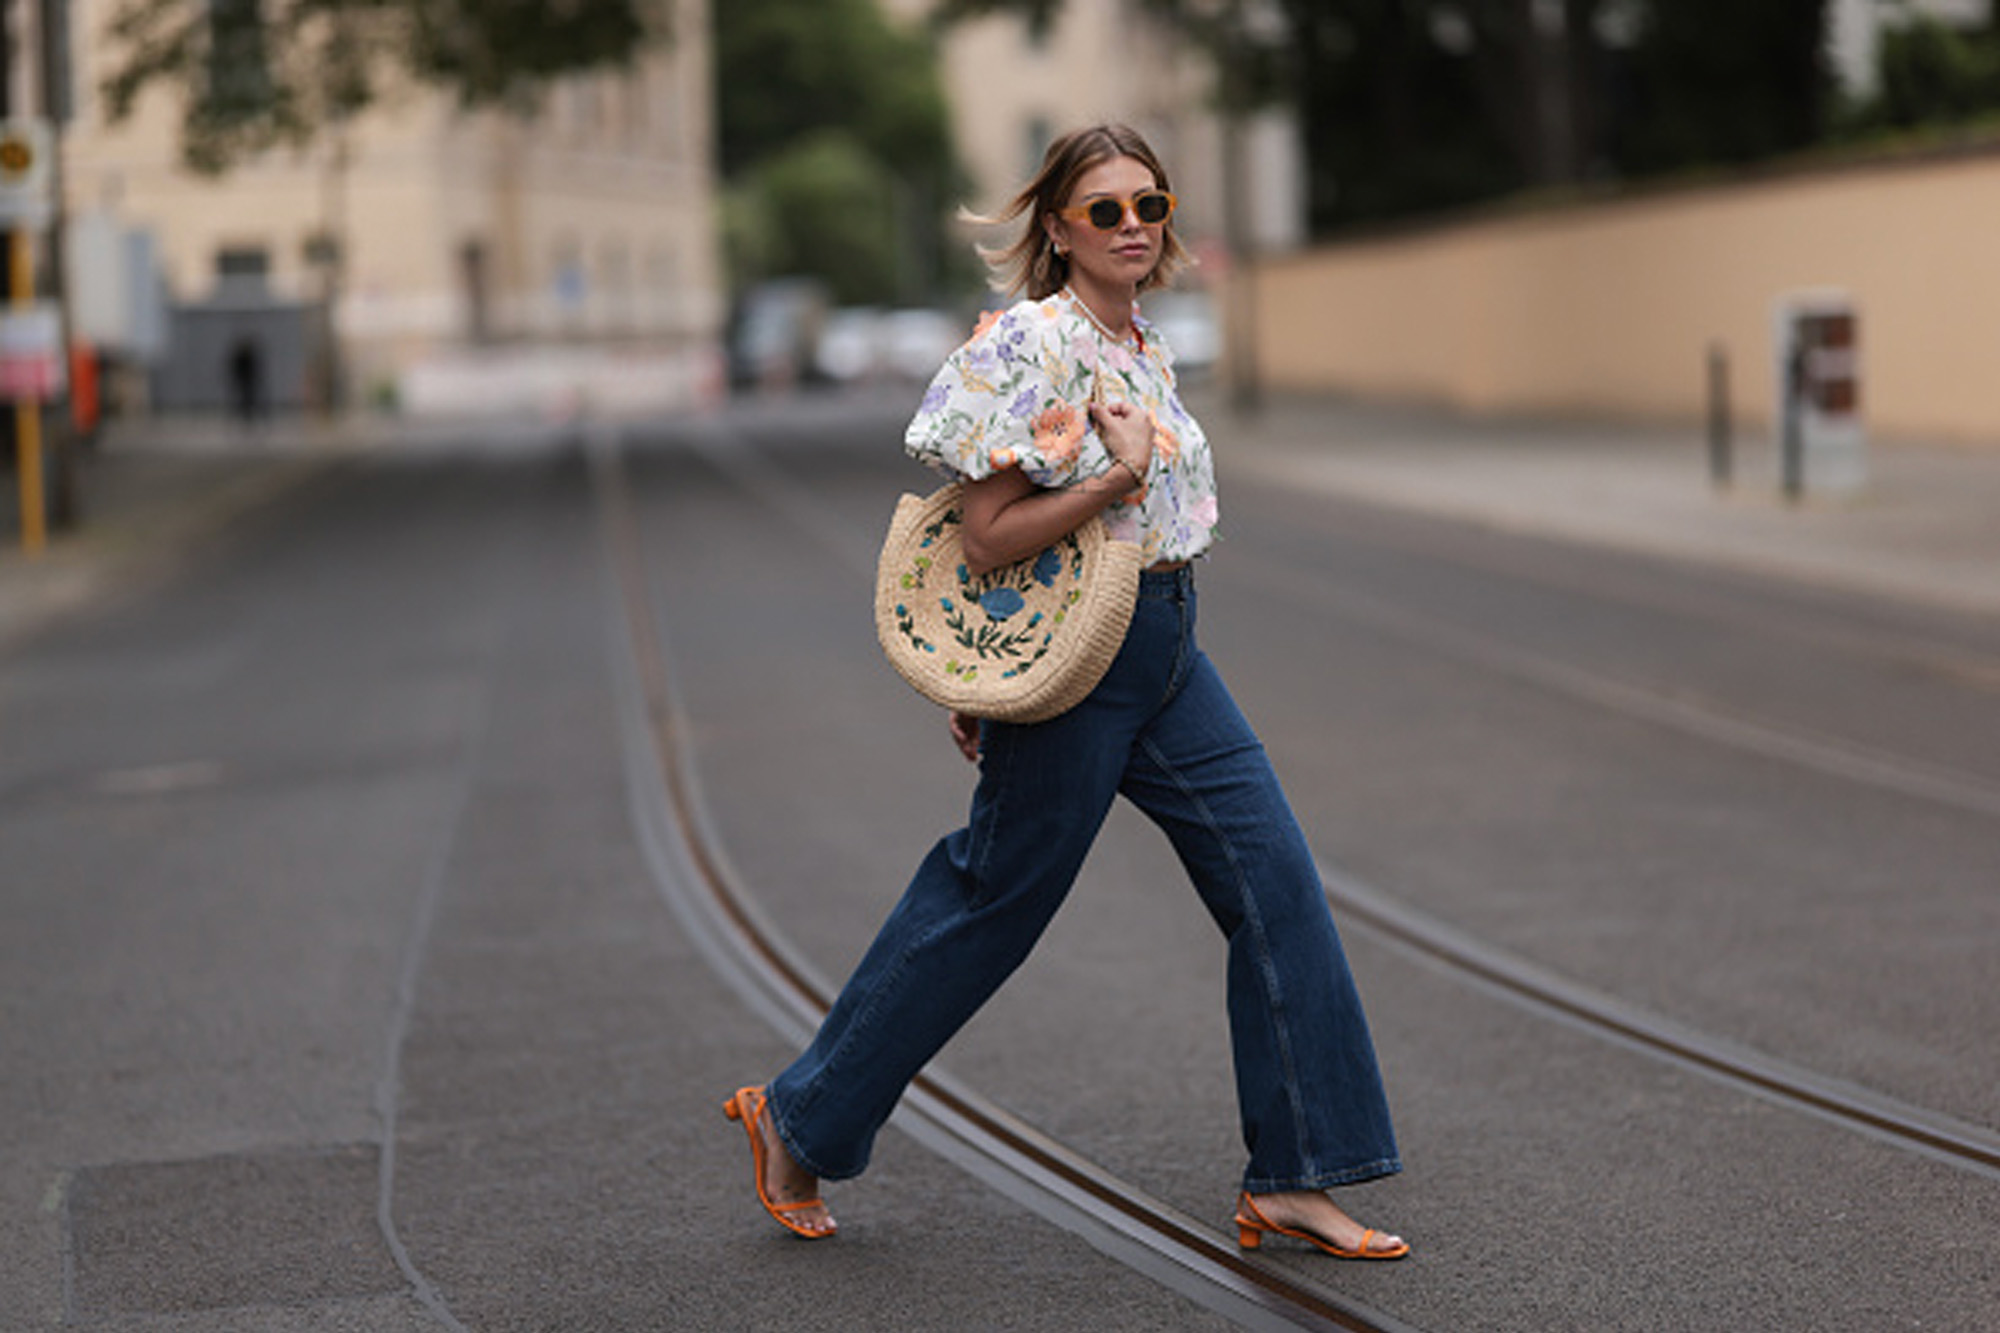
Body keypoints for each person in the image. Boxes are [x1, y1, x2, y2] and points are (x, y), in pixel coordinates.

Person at [724, 123, 1408, 1261]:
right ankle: (799, 1115)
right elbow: (989, 539)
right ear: (1055, 227)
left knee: (1274, 881)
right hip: (1082, 670)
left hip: (1168, 648)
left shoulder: (1137, 343)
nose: (1133, 225)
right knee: (993, 901)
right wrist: (1115, 483)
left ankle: (1296, 1173)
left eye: (1150, 204)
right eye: (1105, 209)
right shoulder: (1026, 347)